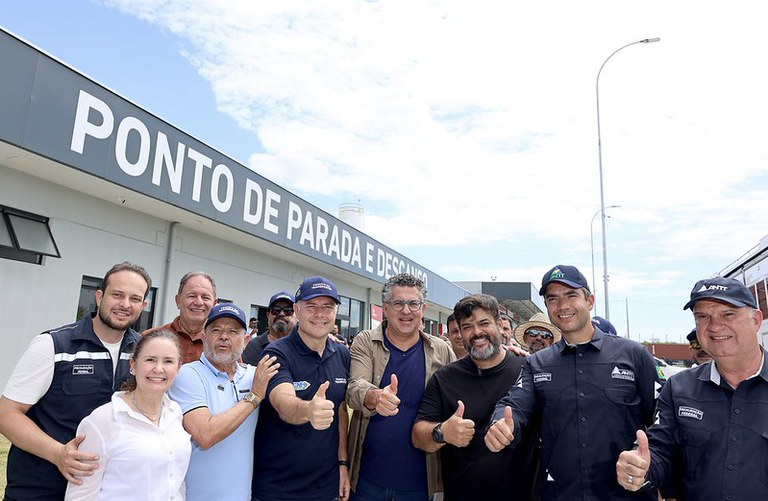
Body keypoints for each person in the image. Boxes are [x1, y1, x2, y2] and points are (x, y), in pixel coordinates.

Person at [485, 264, 658, 500]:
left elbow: (663, 420)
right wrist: (500, 425)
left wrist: (651, 464)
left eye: (571, 295)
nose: (562, 305)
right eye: (552, 299)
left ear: (590, 301)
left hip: (626, 494)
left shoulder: (634, 355)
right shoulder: (537, 364)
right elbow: (514, 406)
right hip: (561, 493)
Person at [0, 262, 152, 500]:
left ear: (143, 306)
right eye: (117, 295)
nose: (125, 304)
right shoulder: (53, 345)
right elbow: (6, 414)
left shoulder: (142, 351)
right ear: (100, 296)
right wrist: (58, 453)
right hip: (41, 490)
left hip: (105, 491)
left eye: (134, 299)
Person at [617, 276, 767, 500]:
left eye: (728, 314)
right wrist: (640, 468)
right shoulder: (678, 389)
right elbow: (660, 453)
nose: (715, 326)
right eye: (702, 316)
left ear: (756, 320)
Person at [413, 294, 540, 500]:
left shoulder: (528, 369)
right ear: (460, 333)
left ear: (499, 325)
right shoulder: (444, 379)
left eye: (484, 323)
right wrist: (441, 432)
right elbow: (418, 437)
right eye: (467, 326)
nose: (477, 332)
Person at [346, 273, 455, 500]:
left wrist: (505, 354)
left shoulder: (441, 351)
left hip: (420, 484)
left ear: (423, 309)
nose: (406, 311)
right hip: (367, 481)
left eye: (413, 303)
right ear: (385, 308)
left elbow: (463, 380)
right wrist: (375, 397)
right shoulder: (366, 341)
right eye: (398, 303)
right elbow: (355, 387)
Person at [252, 277, 351, 501]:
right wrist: (308, 411)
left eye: (327, 307)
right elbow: (282, 401)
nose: (320, 313)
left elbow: (341, 411)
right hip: (277, 489)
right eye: (311, 306)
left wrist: (343, 463)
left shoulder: (343, 354)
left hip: (326, 488)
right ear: (297, 310)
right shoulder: (276, 352)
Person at [169, 303, 278, 501]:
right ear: (204, 336)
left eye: (233, 331)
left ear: (246, 340)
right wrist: (254, 397)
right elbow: (205, 435)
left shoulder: (255, 375)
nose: (224, 337)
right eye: (216, 330)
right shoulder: (188, 374)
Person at [65, 330, 191, 500]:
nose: (159, 369)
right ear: (133, 365)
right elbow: (80, 495)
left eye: (168, 361)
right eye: (150, 360)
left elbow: (176, 481)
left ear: (178, 368)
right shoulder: (103, 420)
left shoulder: (175, 412)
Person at [143, 271, 217, 364]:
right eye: (192, 296)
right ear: (178, 301)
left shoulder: (223, 345)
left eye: (205, 297)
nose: (199, 302)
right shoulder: (149, 338)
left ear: (214, 304)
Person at [242, 292, 296, 365]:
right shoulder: (251, 347)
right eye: (276, 310)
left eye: (288, 311)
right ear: (268, 315)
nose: (281, 314)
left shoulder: (305, 347)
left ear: (298, 316)